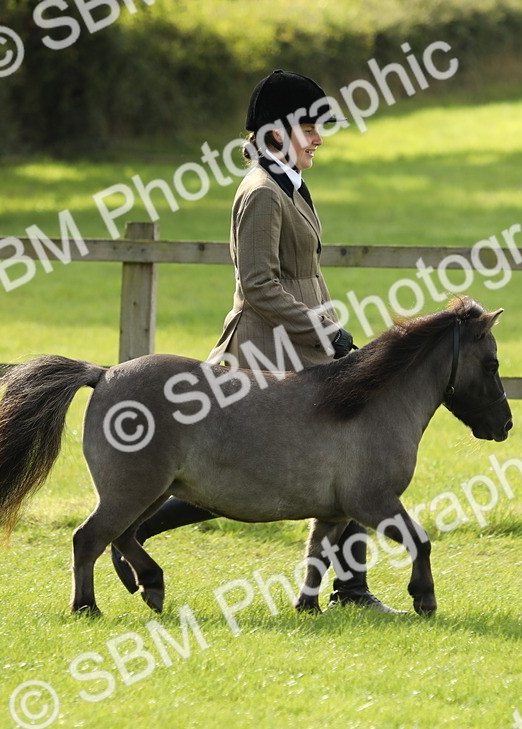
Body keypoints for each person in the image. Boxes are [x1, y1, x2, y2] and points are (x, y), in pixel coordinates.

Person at [111, 69, 401, 614]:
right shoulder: (263, 194)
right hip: (266, 350)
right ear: (275, 133)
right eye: (309, 128)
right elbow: (259, 286)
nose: (319, 139)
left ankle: (349, 588)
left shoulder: (289, 184)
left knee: (342, 449)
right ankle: (134, 525)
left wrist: (334, 333)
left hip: (303, 343)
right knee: (243, 472)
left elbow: (303, 275)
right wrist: (326, 330)